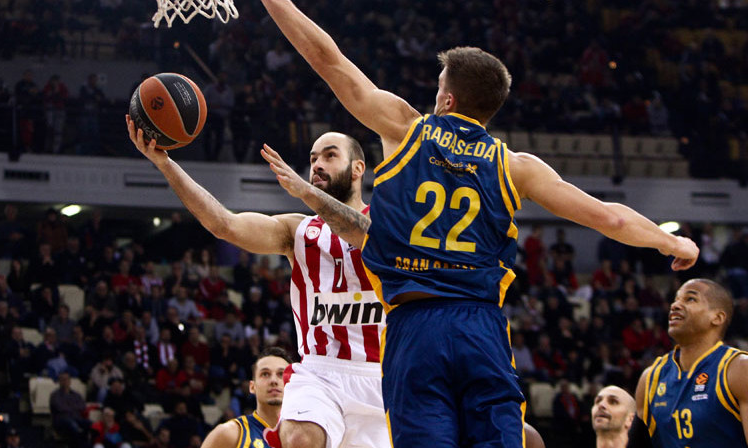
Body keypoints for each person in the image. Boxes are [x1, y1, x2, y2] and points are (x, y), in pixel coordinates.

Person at [256, 2, 699, 446]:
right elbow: (609, 216)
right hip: (482, 327)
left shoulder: (408, 130)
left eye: (437, 88)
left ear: (447, 99)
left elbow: (328, 60)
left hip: (414, 326)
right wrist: (671, 242)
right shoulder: (516, 167)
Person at [126, 114, 389, 448]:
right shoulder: (297, 231)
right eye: (312, 159)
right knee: (300, 438)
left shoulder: (384, 223)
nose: (317, 165)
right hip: (321, 370)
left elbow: (365, 236)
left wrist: (306, 193)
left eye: (330, 155)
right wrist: (165, 163)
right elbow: (225, 224)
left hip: (379, 376)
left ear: (358, 169)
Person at [636, 279, 748, 447]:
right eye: (675, 299)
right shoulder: (651, 378)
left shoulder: (738, 368)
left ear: (717, 318)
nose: (675, 305)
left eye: (690, 299)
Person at [201, 347, 291, 448]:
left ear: (293, 385)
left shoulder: (305, 438)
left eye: (281, 374)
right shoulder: (230, 433)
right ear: (252, 387)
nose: (274, 380)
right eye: (265, 374)